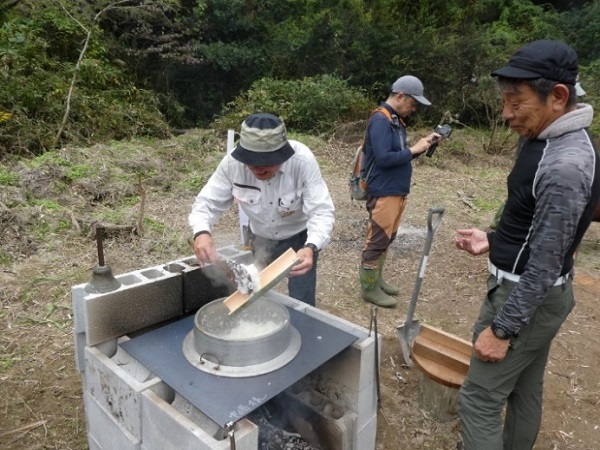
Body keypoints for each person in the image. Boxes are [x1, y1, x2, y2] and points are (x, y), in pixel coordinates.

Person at [454, 40, 600, 450]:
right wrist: (496, 238)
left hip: (525, 298)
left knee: (479, 399)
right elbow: (542, 226)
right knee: (524, 388)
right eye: (504, 101)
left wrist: (501, 329)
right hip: (536, 295)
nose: (506, 114)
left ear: (558, 97)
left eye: (516, 102)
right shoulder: (543, 140)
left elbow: (548, 263)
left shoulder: (565, 165)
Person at [189, 113, 335, 307]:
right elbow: (206, 202)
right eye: (251, 161)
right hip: (260, 239)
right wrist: (201, 233)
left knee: (302, 299)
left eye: (266, 161)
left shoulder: (302, 162)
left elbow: (321, 211)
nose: (257, 168)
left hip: (299, 238)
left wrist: (311, 246)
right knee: (252, 292)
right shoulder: (232, 164)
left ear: (283, 154)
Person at [359, 75, 441, 308]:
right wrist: (413, 149)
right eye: (413, 103)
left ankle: (377, 280)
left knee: (387, 239)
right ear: (400, 96)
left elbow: (397, 155)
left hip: (395, 190)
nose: (414, 108)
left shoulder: (395, 121)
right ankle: (368, 289)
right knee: (376, 240)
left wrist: (421, 146)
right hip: (383, 191)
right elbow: (384, 158)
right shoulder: (381, 120)